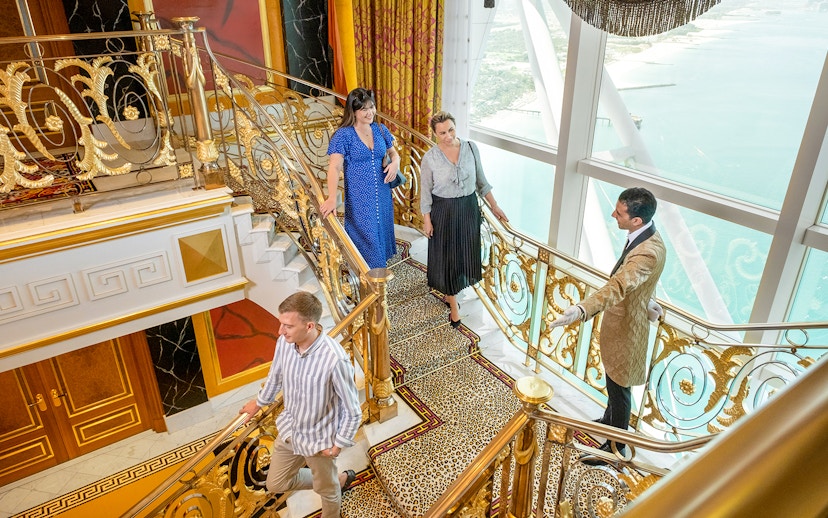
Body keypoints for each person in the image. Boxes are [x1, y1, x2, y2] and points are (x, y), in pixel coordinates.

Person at [549, 187, 666, 457]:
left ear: (637, 220)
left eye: (619, 213)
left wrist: (581, 309)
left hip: (627, 328)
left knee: (620, 388)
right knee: (613, 381)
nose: (613, 214)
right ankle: (609, 420)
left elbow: (618, 286)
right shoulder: (647, 236)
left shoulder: (647, 252)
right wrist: (647, 298)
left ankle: (615, 447)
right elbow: (639, 281)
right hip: (622, 321)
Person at [239, 291, 362, 517]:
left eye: (287, 325)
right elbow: (275, 376)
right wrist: (259, 402)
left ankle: (332, 487)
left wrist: (338, 446)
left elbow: (353, 411)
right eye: (280, 324)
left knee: (328, 493)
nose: (280, 331)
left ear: (309, 326)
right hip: (290, 430)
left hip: (319, 442)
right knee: (275, 483)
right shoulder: (284, 343)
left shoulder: (335, 360)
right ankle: (337, 480)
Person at [420, 111, 508, 328]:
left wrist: (494, 206)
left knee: (463, 255)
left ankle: (453, 293)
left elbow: (481, 181)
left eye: (451, 130)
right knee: (448, 258)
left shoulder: (470, 148)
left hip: (468, 209)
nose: (448, 136)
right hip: (444, 211)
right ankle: (454, 306)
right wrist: (427, 220)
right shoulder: (430, 158)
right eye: (442, 133)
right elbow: (425, 193)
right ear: (434, 134)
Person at [320, 87, 400, 269]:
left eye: (371, 107)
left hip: (382, 193)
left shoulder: (380, 129)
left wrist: (395, 162)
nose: (369, 112)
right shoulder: (343, 135)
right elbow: (334, 167)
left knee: (380, 231)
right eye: (364, 109)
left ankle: (376, 278)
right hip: (359, 198)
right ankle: (374, 282)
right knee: (367, 236)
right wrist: (332, 198)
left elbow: (394, 153)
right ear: (353, 111)